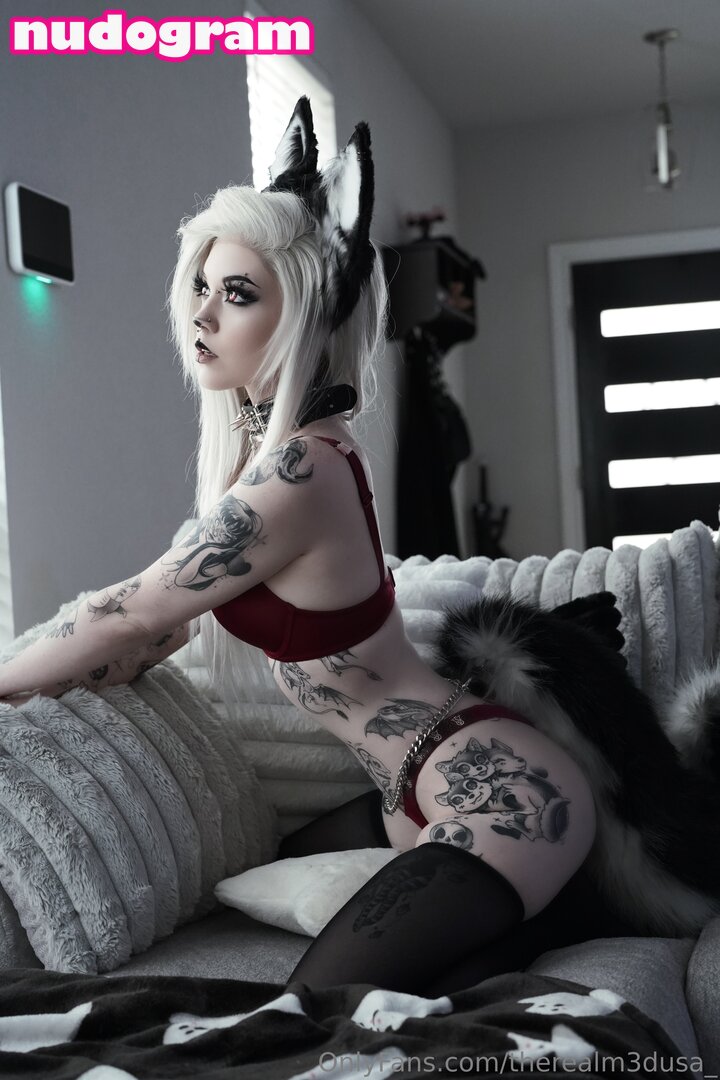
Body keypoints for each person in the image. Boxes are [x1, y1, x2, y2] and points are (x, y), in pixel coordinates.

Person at [0, 97, 634, 994]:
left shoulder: (299, 471)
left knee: (303, 1018)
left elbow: (128, 611)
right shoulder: (286, 459)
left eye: (239, 294)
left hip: (498, 794)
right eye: (202, 287)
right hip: (404, 794)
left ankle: (542, 912)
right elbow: (156, 631)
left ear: (301, 315)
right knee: (375, 988)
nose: (203, 314)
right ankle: (540, 925)